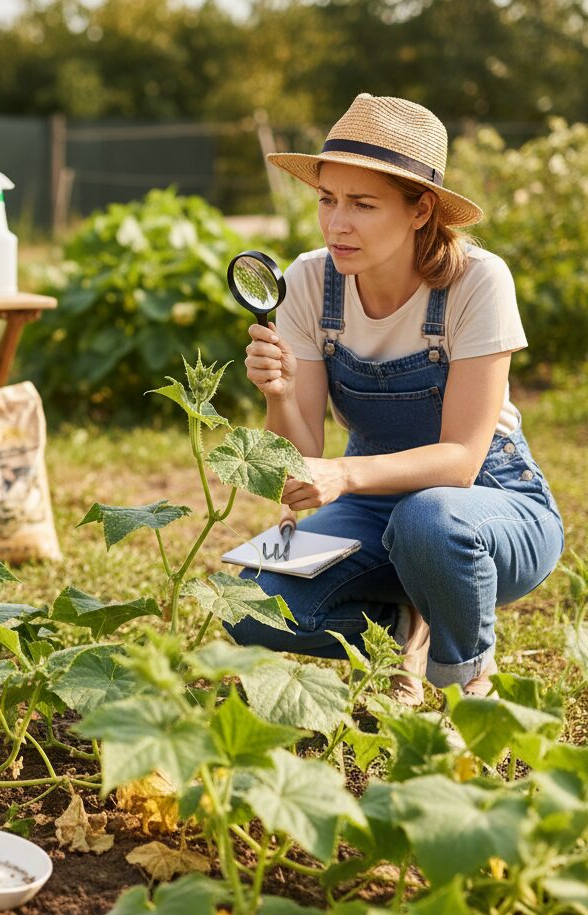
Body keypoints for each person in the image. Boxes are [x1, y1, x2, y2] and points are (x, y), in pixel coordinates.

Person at [226, 93, 564, 703]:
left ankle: (468, 681)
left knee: (428, 518)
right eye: (327, 200)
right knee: (247, 608)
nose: (337, 224)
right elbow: (297, 461)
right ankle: (401, 630)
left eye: (363, 204)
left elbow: (461, 459)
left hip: (487, 503)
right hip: (374, 506)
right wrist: (277, 394)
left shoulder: (477, 281)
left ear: (420, 210)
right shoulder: (308, 280)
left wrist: (345, 473)